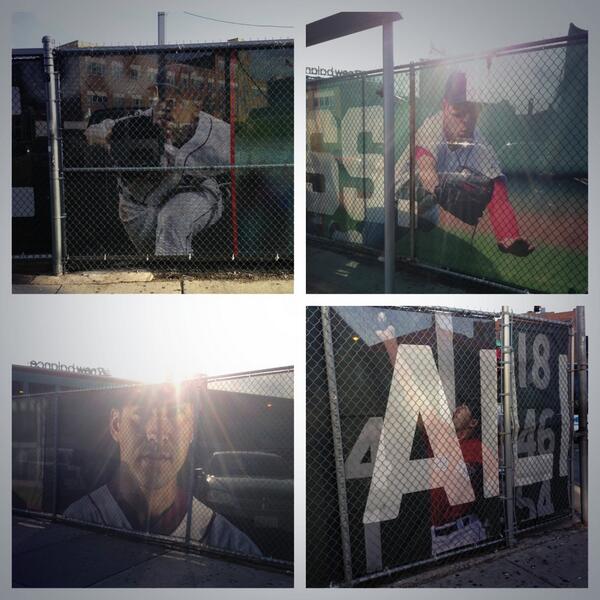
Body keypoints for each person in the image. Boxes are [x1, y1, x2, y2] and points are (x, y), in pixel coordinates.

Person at [64, 384, 261, 556]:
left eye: (175, 413)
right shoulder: (73, 525)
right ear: (116, 425)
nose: (157, 434)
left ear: (191, 429)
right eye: (141, 413)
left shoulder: (234, 548)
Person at [395, 71, 534, 257]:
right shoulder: (431, 127)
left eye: (473, 111)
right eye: (459, 111)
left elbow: (498, 193)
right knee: (378, 246)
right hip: (395, 197)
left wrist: (508, 234)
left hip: (427, 209)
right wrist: (441, 190)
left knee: (415, 252)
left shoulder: (480, 143)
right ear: (445, 106)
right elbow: (426, 166)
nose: (466, 121)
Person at [84, 86, 230, 256]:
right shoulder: (139, 122)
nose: (166, 110)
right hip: (136, 206)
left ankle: (174, 274)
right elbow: (90, 133)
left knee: (172, 218)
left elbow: (248, 154)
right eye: (162, 103)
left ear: (195, 110)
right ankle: (168, 269)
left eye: (175, 103)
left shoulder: (216, 133)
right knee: (151, 257)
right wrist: (109, 138)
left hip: (193, 191)